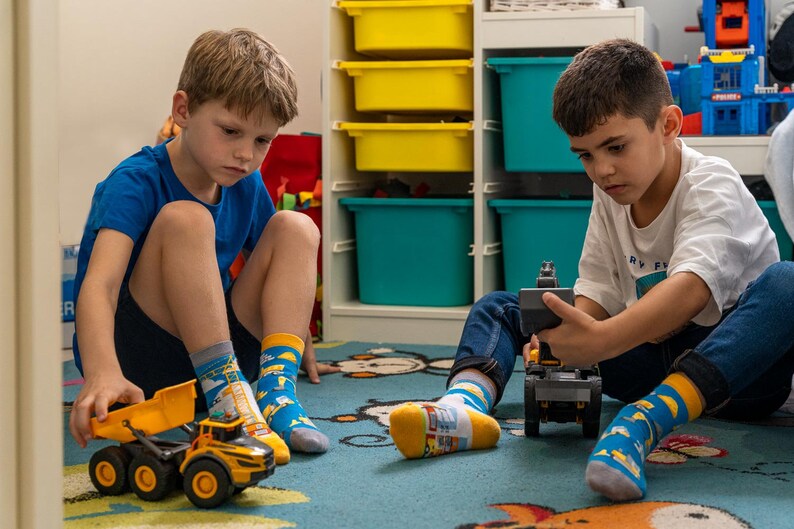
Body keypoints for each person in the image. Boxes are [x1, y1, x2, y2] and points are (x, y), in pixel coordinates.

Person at [388, 38, 794, 501]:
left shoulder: (711, 182)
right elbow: (597, 291)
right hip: (643, 358)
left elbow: (691, 291)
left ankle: (644, 421)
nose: (601, 170)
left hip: (736, 376)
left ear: (668, 125)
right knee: (504, 306)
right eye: (585, 155)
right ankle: (463, 408)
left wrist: (600, 340)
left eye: (616, 147)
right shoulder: (612, 191)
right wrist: (568, 338)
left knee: (788, 282)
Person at [68, 28, 339, 465]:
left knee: (297, 227)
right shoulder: (134, 181)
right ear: (183, 110)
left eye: (261, 140)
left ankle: (275, 391)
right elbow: (100, 285)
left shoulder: (245, 183)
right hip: (138, 370)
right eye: (230, 131)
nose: (245, 154)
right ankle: (230, 397)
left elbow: (278, 265)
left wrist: (293, 342)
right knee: (186, 217)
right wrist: (102, 372)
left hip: (219, 358)